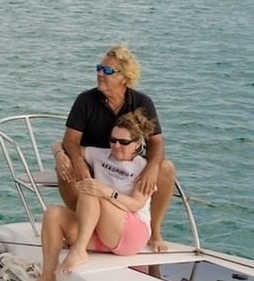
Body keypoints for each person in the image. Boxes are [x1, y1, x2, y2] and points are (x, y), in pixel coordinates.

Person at [51, 44, 177, 252]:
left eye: (108, 71)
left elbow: (156, 142)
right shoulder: (86, 100)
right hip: (94, 161)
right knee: (66, 167)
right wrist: (78, 162)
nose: (100, 74)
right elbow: (70, 141)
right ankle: (83, 227)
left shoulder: (142, 102)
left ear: (124, 77)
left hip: (129, 163)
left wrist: (152, 167)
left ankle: (155, 232)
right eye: (99, 68)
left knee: (166, 168)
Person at [19, 110, 157, 281]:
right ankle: (47, 278)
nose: (116, 146)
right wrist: (60, 154)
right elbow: (57, 144)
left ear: (137, 144)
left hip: (131, 234)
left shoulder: (143, 167)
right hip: (100, 234)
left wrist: (106, 192)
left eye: (123, 142)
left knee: (90, 188)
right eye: (113, 140)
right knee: (52, 214)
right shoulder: (99, 154)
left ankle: (79, 250)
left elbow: (136, 205)